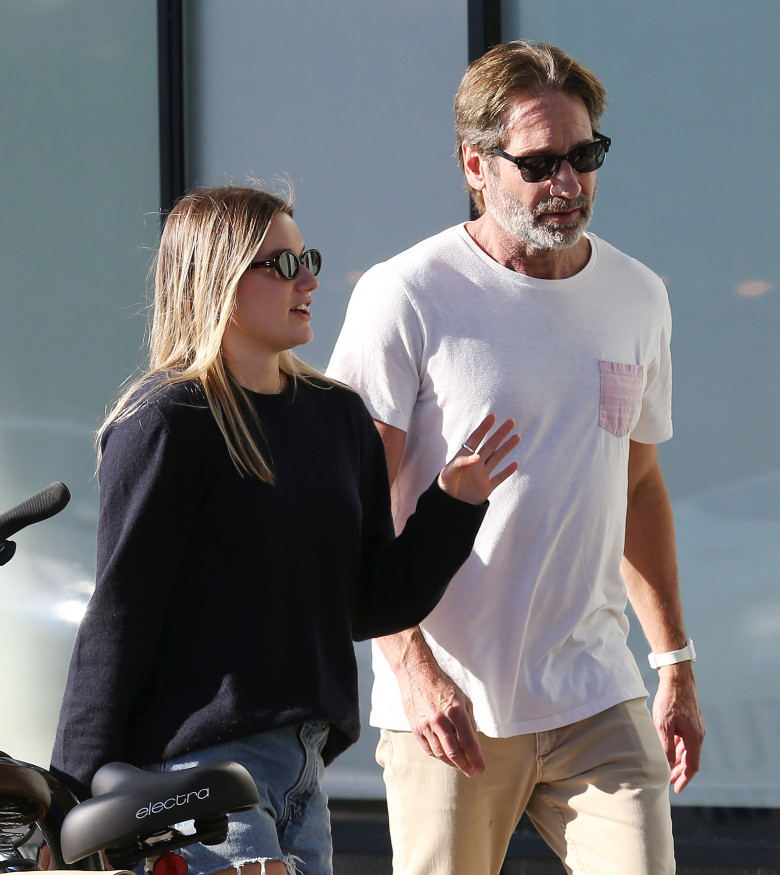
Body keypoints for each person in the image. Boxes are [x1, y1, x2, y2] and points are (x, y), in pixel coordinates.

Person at [49, 185, 520, 875]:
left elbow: (370, 603)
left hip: (302, 772)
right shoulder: (168, 421)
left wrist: (451, 506)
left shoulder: (336, 417)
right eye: (282, 263)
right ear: (217, 278)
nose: (309, 278)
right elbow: (120, 616)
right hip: (198, 777)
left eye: (308, 257)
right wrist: (72, 793)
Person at [327, 40, 705, 875]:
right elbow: (347, 512)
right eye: (538, 164)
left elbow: (636, 485)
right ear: (476, 164)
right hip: (451, 702)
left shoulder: (639, 296)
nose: (566, 184)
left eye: (584, 157)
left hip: (596, 690)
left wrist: (673, 659)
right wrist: (415, 672)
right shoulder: (407, 295)